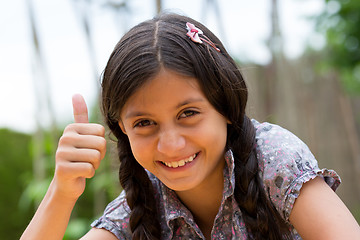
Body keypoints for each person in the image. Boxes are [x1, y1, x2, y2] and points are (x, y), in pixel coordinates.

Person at [21, 13, 360, 240]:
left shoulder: (274, 160)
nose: (170, 145)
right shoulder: (142, 203)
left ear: (226, 105)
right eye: (144, 123)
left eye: (188, 114)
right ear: (122, 130)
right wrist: (62, 192)